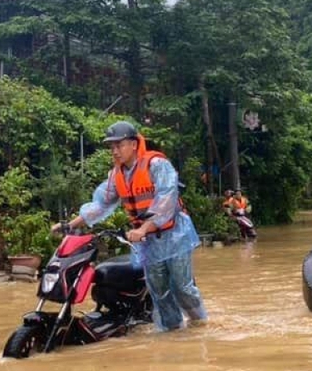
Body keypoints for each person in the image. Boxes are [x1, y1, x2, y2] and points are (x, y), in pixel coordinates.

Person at [62, 121, 207, 331]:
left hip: (174, 234)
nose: (114, 152)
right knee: (159, 290)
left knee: (182, 287)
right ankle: (173, 330)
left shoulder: (156, 165)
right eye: (111, 147)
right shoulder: (116, 175)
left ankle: (200, 323)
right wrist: (69, 224)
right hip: (148, 241)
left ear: (133, 144)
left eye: (119, 146)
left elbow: (166, 200)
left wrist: (143, 229)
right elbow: (100, 205)